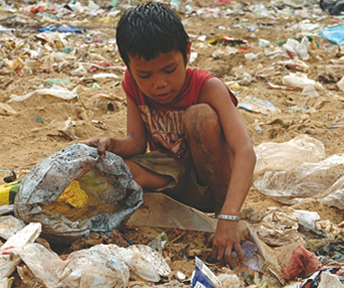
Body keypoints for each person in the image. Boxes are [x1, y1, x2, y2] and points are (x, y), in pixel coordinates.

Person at [81, 2, 256, 268]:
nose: (159, 83)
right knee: (119, 170)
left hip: (213, 182)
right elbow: (137, 143)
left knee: (200, 117)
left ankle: (219, 215)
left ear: (187, 51)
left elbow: (245, 151)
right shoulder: (131, 83)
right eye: (145, 74)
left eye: (170, 70)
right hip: (173, 179)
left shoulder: (208, 87)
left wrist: (230, 216)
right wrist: (112, 144)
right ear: (127, 64)